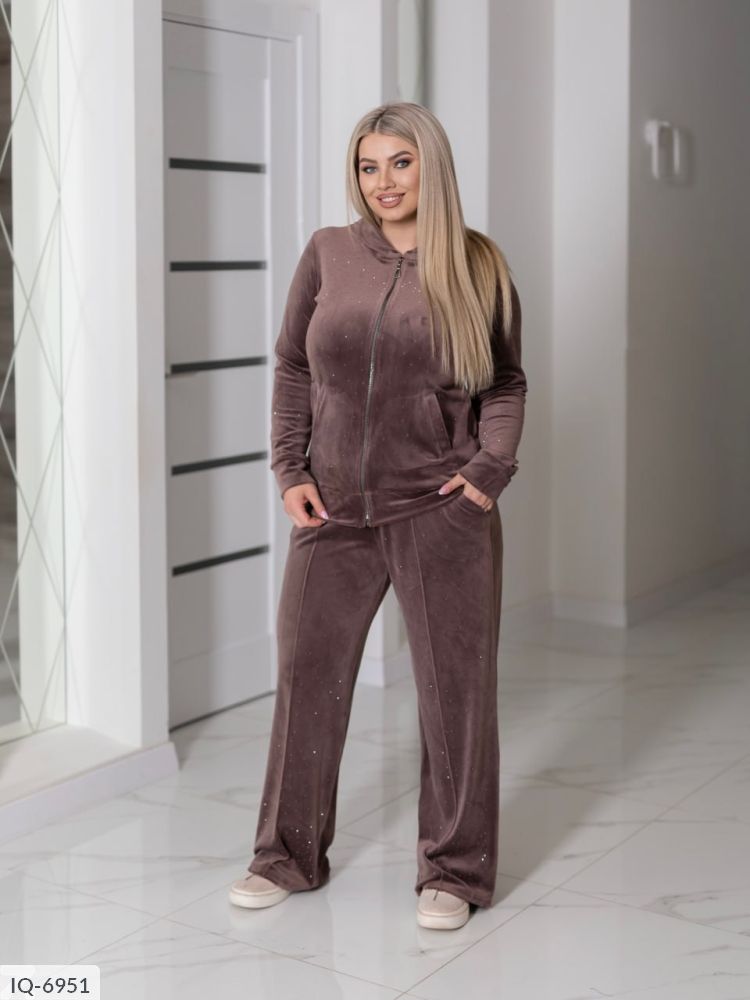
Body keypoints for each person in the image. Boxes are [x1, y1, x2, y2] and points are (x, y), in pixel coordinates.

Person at [228, 101, 527, 930]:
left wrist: (487, 473)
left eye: (400, 163)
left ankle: (455, 872)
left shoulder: (477, 264)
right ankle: (286, 855)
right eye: (369, 166)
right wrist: (290, 468)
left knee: (455, 694)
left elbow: (505, 382)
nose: (383, 182)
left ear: (432, 167)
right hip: (332, 510)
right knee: (307, 681)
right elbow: (292, 365)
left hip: (440, 507)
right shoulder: (329, 252)